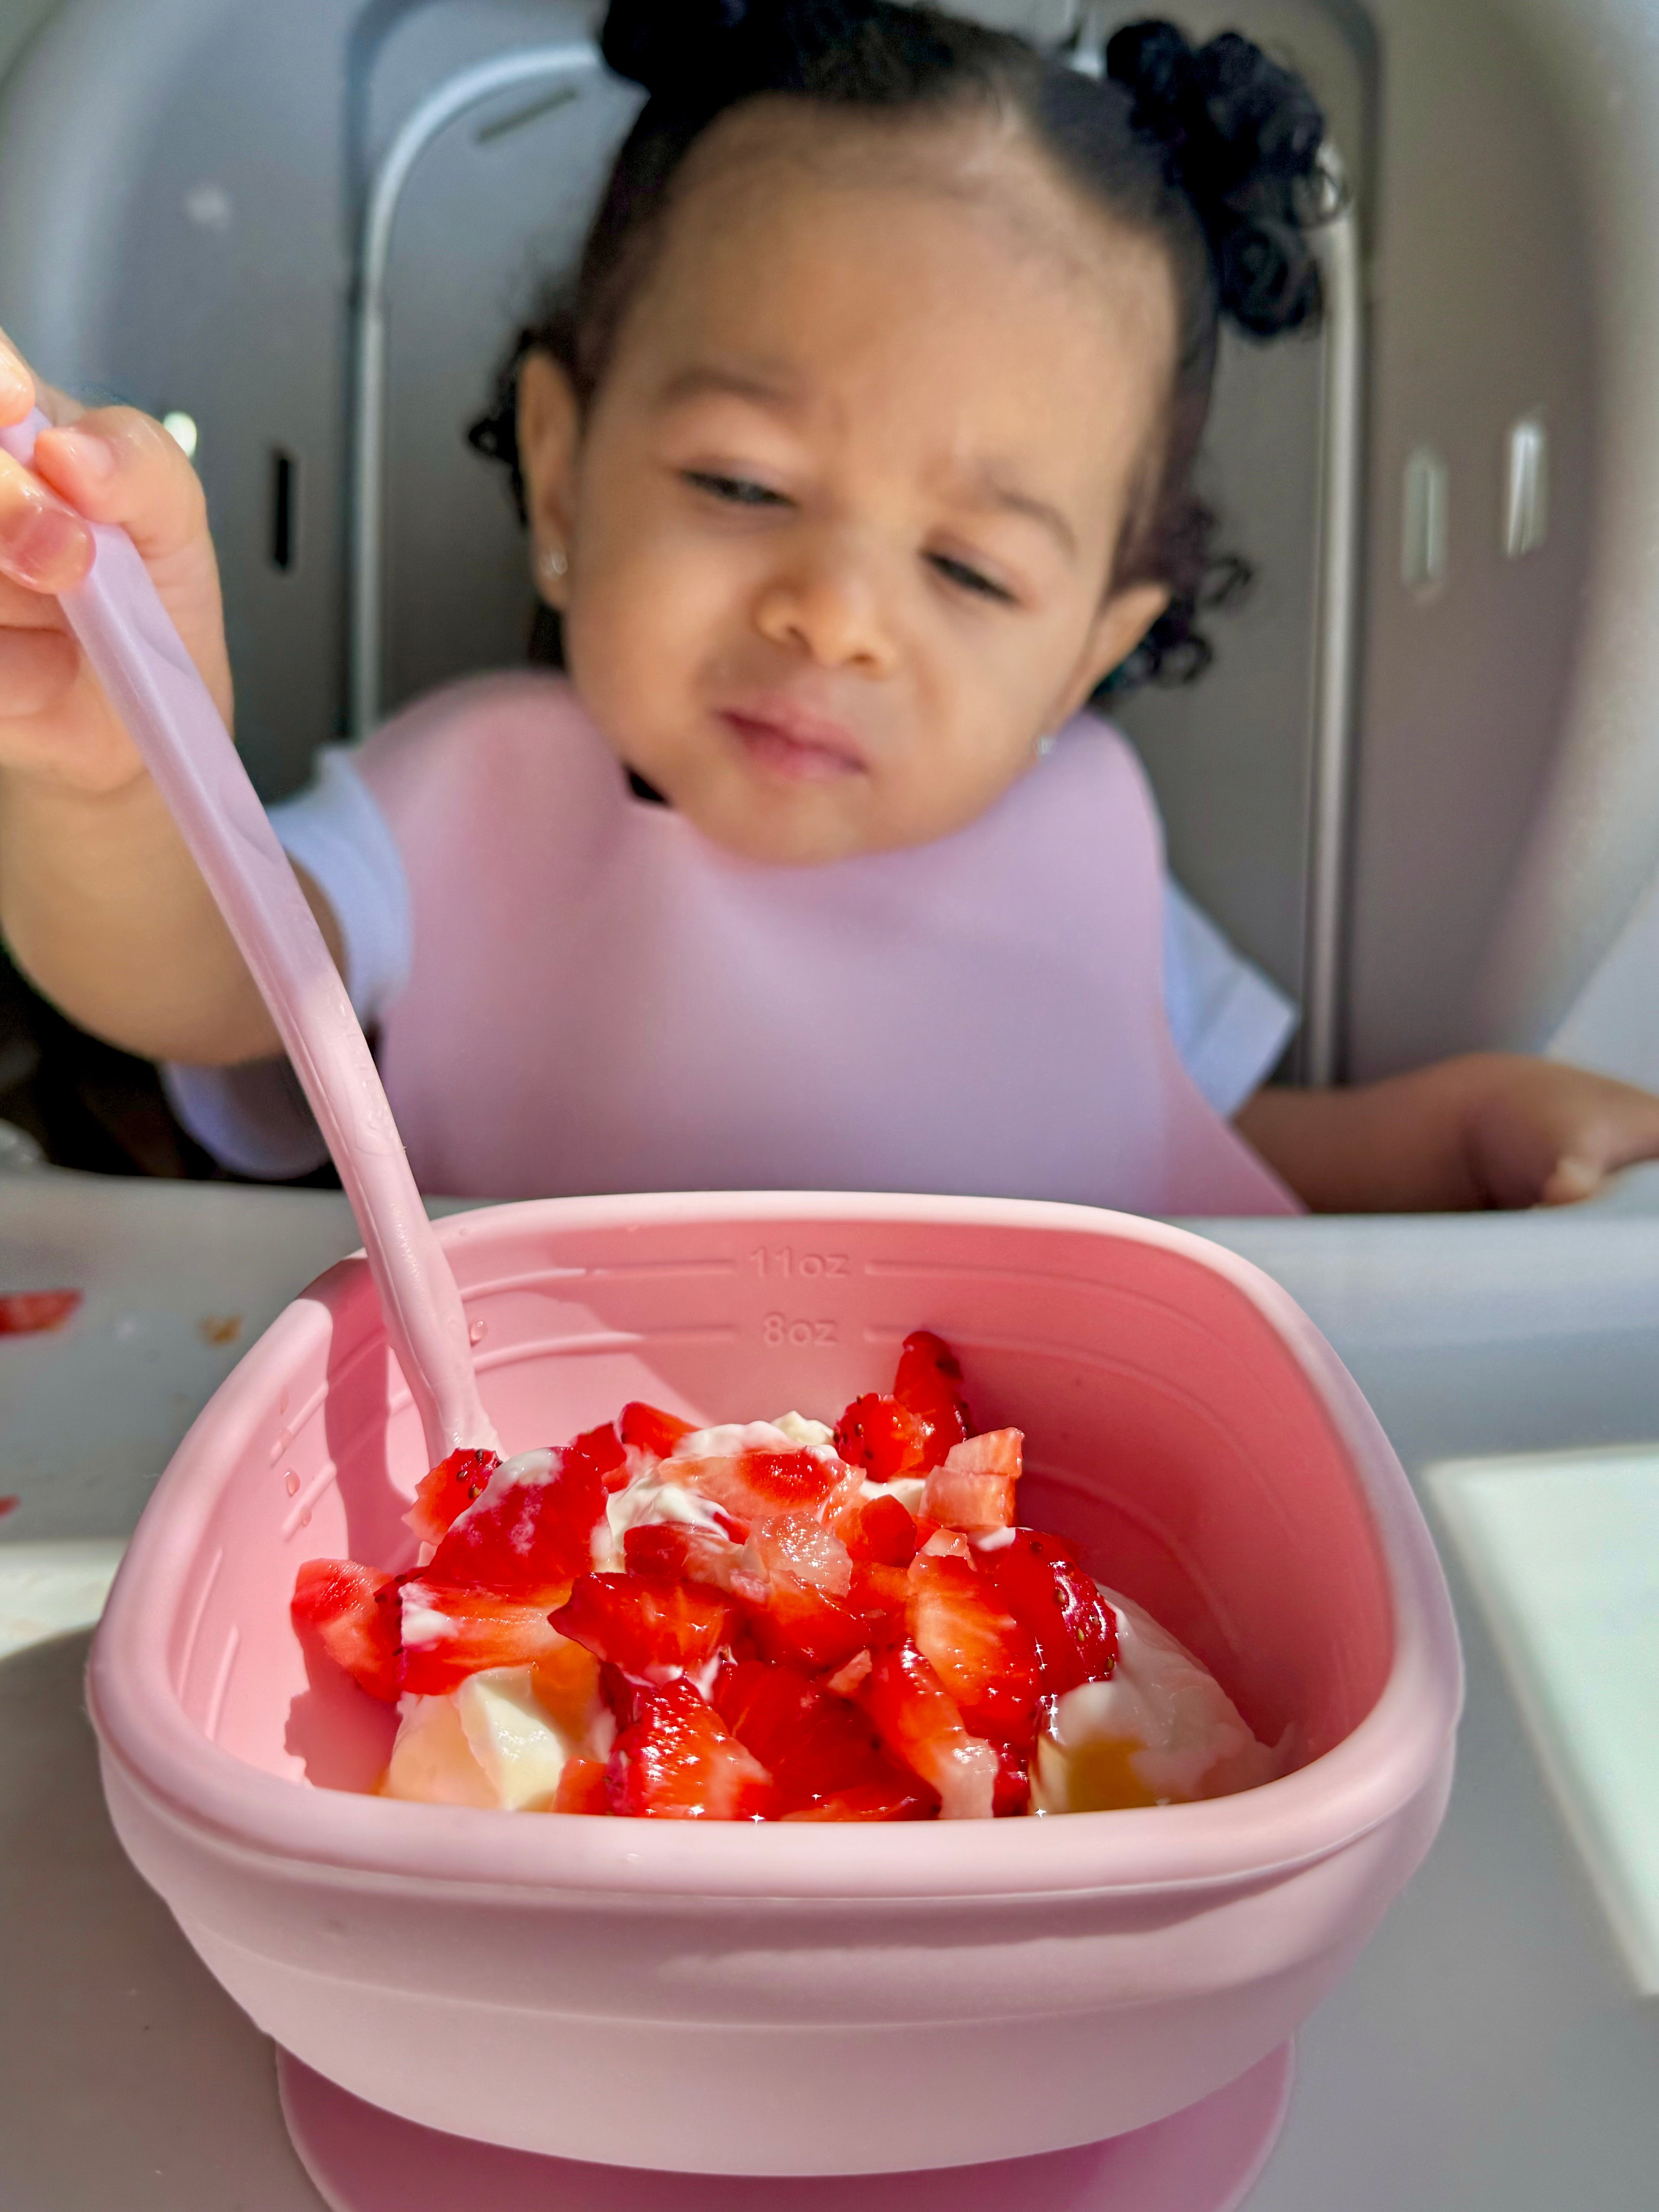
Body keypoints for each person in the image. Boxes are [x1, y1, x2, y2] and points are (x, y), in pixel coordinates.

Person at [0, 0, 1656, 1212]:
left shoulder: (1094, 839)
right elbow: (201, 980)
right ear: (567, 480)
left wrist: (1459, 1141)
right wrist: (110, 772)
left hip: (1039, 1584)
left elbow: (1207, 1149)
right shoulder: (473, 802)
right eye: (743, 485)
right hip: (575, 1585)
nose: (836, 616)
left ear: (1089, 650)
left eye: (971, 570)